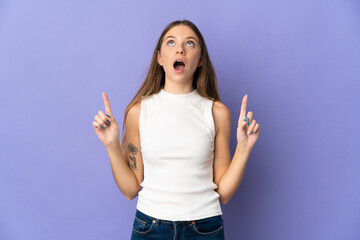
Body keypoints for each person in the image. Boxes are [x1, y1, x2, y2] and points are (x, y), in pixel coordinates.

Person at [92, 19, 260, 240]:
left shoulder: (217, 112)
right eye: (171, 42)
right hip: (150, 228)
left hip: (205, 228)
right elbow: (130, 190)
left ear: (200, 60)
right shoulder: (138, 111)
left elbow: (224, 194)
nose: (180, 48)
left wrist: (244, 148)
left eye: (190, 43)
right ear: (160, 57)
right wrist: (112, 145)